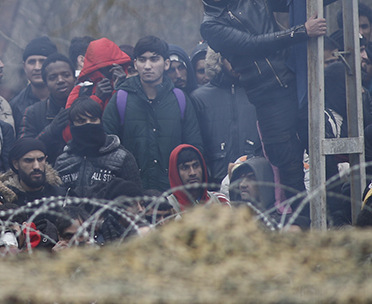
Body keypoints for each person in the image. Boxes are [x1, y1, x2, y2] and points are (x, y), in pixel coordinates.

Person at [198, 0, 361, 201]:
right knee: (289, 169)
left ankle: (335, 216)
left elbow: (297, 1)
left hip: (296, 82)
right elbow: (251, 44)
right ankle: (301, 226)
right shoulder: (210, 24)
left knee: (322, 150)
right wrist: (301, 32)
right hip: (267, 99)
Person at [102, 36, 203, 191]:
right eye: (142, 60)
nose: (147, 66)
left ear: (166, 63)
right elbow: (107, 150)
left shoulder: (180, 99)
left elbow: (194, 150)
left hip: (173, 196)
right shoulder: (121, 98)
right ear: (135, 63)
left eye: (154, 59)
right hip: (132, 197)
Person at [190, 48, 261, 185]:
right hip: (214, 183)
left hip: (254, 181)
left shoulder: (259, 92)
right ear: (218, 59)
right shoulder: (198, 98)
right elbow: (196, 145)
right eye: (230, 57)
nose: (237, 62)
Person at [54, 97, 141, 198]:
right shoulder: (62, 161)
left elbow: (136, 199)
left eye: (93, 119)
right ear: (73, 125)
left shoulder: (122, 158)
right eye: (81, 121)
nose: (88, 124)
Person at [23, 53, 75, 163]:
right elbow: (23, 151)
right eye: (53, 77)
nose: (60, 80)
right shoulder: (33, 112)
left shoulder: (88, 104)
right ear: (45, 84)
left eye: (66, 75)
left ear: (74, 78)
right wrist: (51, 131)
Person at [0, 138, 62, 208]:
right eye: (28, 160)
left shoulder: (61, 196)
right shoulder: (4, 201)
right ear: (16, 164)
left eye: (40, 159)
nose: (36, 166)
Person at [9, 36, 58, 134]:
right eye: (31, 62)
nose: (37, 67)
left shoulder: (67, 98)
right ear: (24, 66)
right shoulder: (15, 106)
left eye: (42, 61)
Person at [166, 144, 230, 212]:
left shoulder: (220, 201)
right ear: (175, 172)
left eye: (196, 166)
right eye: (184, 168)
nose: (192, 173)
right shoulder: (167, 208)